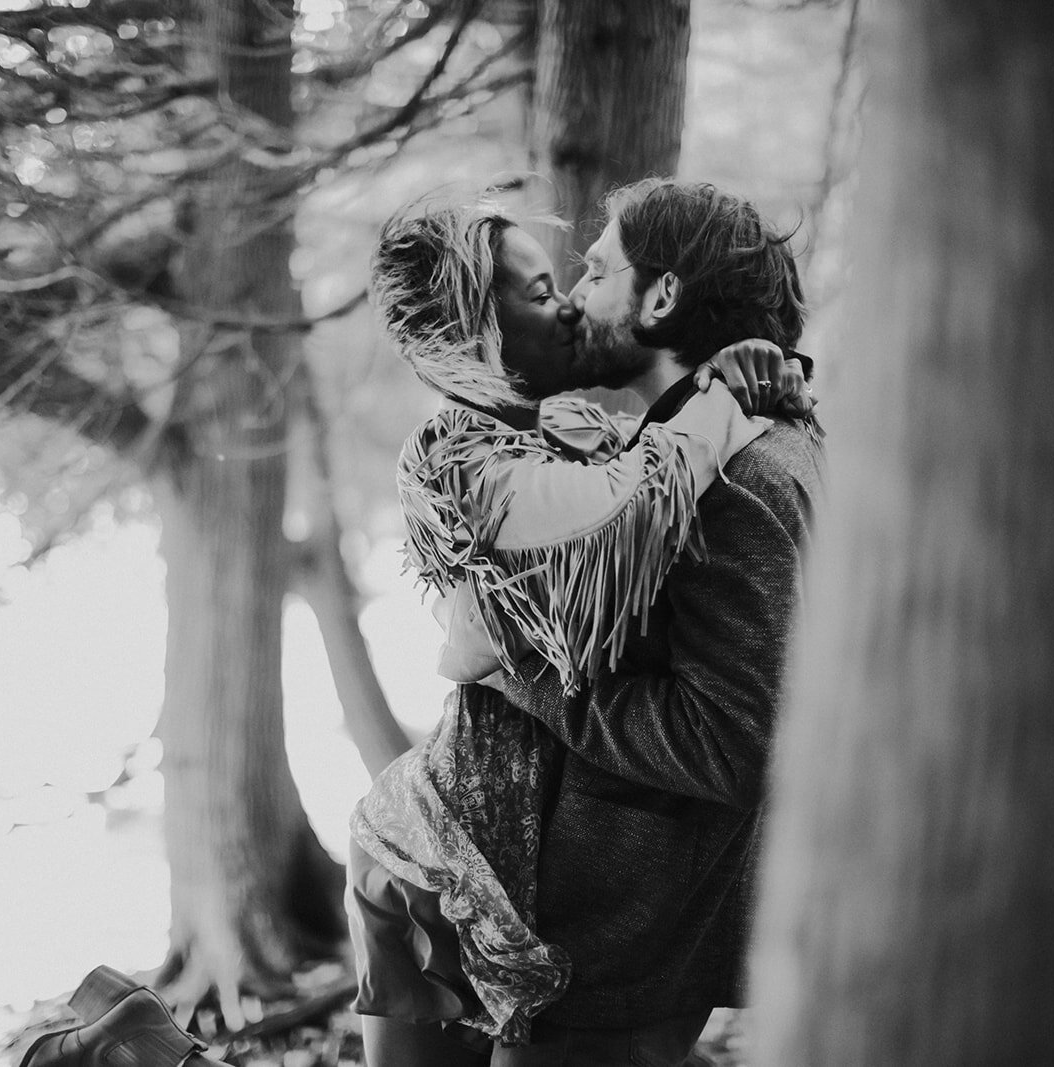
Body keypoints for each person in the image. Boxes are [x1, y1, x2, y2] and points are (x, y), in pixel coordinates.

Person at [351, 182, 821, 1067]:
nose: (571, 297)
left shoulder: (740, 475)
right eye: (543, 290)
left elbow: (734, 741)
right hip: (487, 881)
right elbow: (612, 520)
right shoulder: (551, 450)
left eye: (592, 271)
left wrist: (515, 673)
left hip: (607, 931)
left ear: (661, 297)